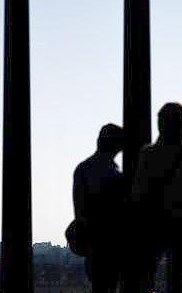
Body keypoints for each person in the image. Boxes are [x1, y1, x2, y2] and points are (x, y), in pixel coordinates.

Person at [129, 103, 182, 293]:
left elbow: (138, 194)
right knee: (177, 280)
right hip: (181, 222)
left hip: (153, 221)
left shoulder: (148, 154)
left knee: (145, 275)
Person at [71, 123, 125, 293]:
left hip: (94, 242)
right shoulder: (113, 173)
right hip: (109, 241)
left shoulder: (83, 168)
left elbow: (79, 210)